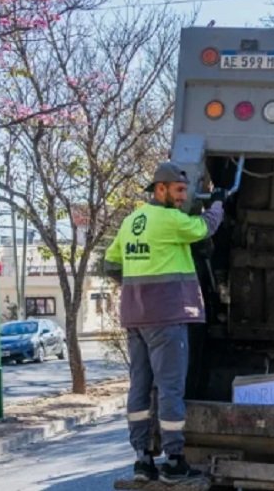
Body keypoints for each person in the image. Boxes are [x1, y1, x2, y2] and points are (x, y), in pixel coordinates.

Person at [104, 162, 225, 484]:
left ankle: (142, 459)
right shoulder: (171, 220)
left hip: (135, 316)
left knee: (140, 388)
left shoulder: (131, 221)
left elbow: (110, 263)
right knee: (171, 388)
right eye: (180, 190)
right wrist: (218, 204)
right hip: (167, 317)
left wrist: (137, 287)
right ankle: (173, 459)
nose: (184, 197)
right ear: (161, 189)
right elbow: (204, 228)